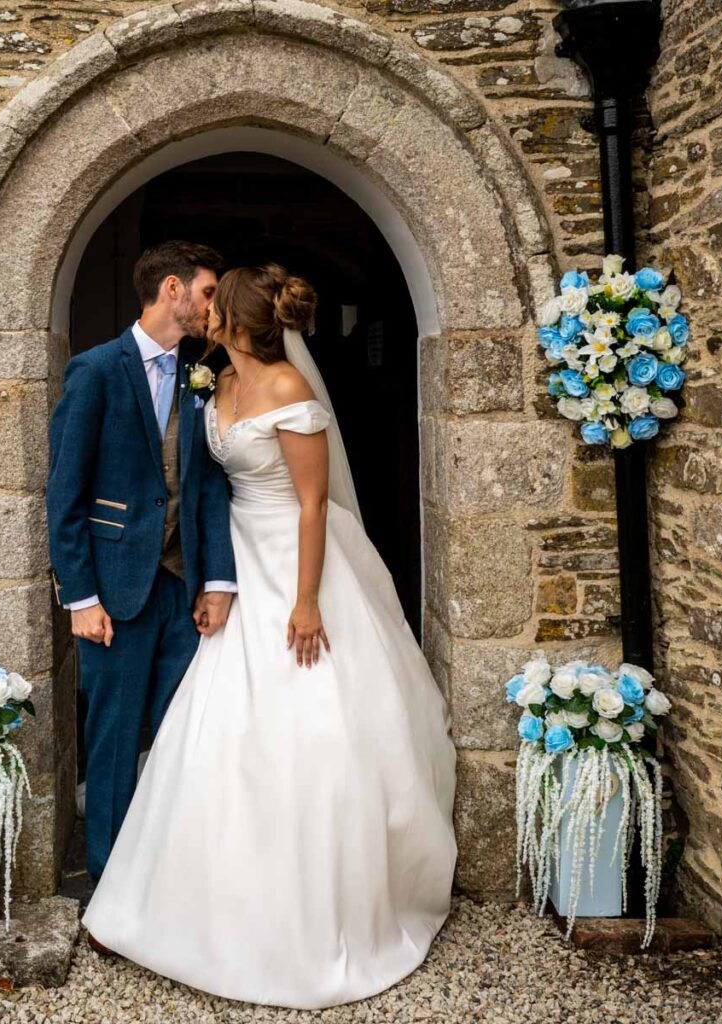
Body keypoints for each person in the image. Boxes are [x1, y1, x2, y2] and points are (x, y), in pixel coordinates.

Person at [83, 264, 458, 1010]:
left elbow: (314, 504)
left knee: (314, 722)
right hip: (233, 564)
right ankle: (192, 896)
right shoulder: (213, 383)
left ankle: (313, 909)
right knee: (216, 722)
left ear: (243, 318)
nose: (204, 307)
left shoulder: (290, 389)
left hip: (293, 559)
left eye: (217, 301)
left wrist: (307, 600)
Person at [46, 241, 237, 884]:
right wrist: (81, 598)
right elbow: (65, 494)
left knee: (185, 737)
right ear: (173, 289)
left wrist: (217, 582)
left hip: (184, 589)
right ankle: (111, 884)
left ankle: (171, 879)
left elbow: (208, 486)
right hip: (113, 595)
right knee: (114, 742)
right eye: (209, 293)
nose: (216, 306)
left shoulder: (201, 375)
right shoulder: (95, 371)